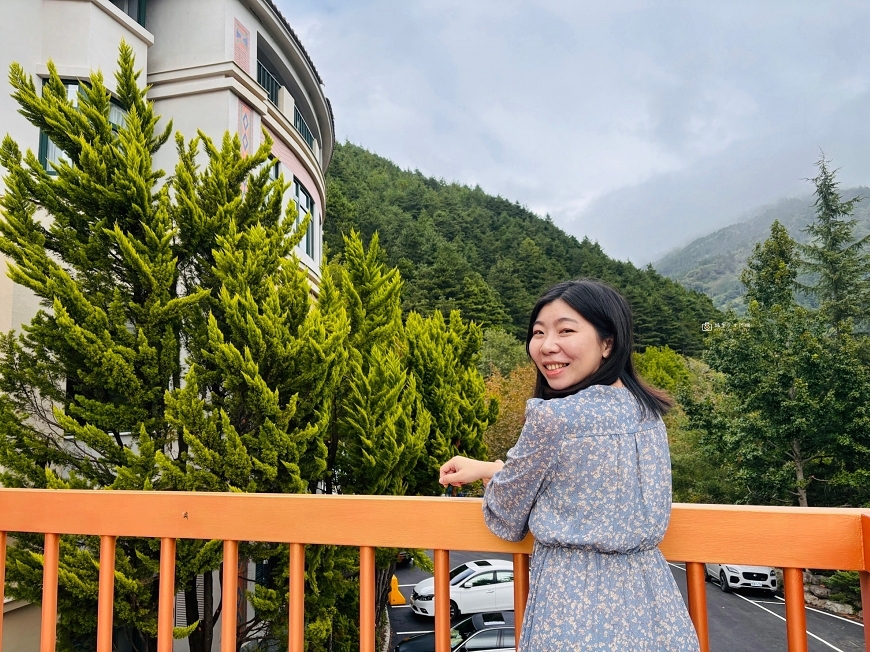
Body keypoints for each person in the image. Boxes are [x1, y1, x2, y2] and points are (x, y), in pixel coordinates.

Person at [439, 279, 700, 651]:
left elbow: (507, 517)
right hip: (654, 604)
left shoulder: (555, 418)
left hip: (573, 608)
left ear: (608, 343)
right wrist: (491, 468)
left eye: (565, 331)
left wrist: (497, 478)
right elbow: (580, 483)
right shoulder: (646, 413)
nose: (547, 345)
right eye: (539, 332)